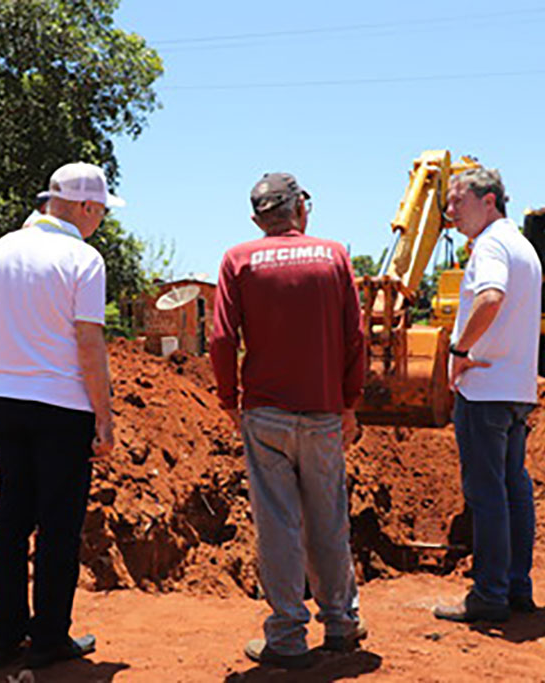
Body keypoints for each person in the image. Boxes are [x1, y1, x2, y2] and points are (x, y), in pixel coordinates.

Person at [210, 172, 367, 670]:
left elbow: (219, 339)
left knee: (278, 525)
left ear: (258, 218)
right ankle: (340, 624)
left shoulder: (238, 260)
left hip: (265, 412)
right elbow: (355, 336)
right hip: (322, 412)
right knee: (329, 519)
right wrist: (349, 403)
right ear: (302, 208)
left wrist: (228, 398)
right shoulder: (334, 255)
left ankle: (287, 637)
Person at [0, 162, 120, 669]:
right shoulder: (83, 258)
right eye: (101, 211)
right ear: (85, 207)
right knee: (58, 526)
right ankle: (49, 639)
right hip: (63, 408)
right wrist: (103, 417)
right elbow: (88, 342)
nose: (100, 221)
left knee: (11, 523)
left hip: (9, 402)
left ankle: (4, 637)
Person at [432, 166, 542, 624]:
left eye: (458, 200)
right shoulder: (523, 246)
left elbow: (491, 297)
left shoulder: (492, 244)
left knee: (486, 494)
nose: (449, 210)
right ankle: (517, 587)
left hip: (485, 391)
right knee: (514, 489)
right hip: (516, 389)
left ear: (489, 200)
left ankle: (489, 595)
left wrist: (460, 349)